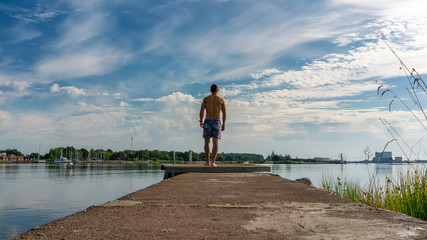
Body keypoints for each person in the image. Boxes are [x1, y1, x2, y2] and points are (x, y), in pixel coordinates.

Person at [199, 84, 226, 166]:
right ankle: (213, 162)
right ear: (217, 90)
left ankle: (207, 162)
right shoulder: (221, 100)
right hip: (216, 121)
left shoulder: (206, 99)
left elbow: (201, 111)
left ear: (210, 90)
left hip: (207, 121)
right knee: (216, 142)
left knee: (207, 142)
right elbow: (224, 114)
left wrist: (201, 121)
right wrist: (223, 124)